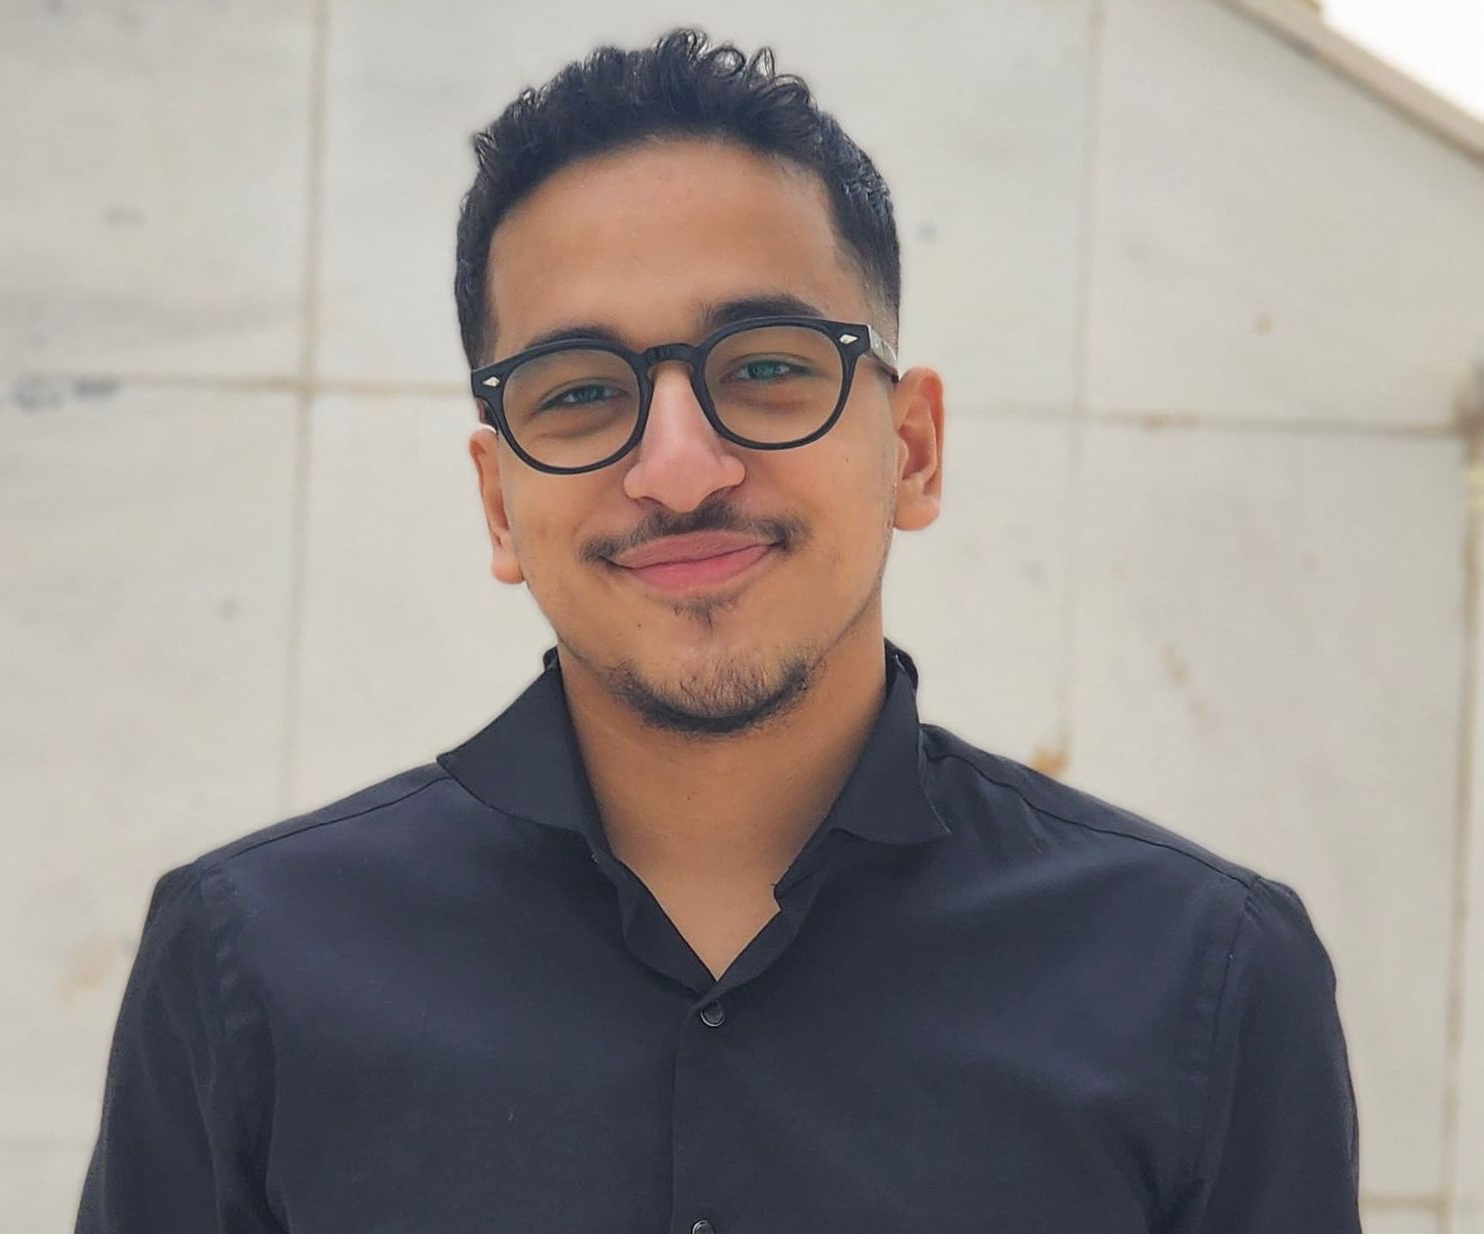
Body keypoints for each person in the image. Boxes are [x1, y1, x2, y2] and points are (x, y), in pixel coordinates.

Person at [75, 27, 1361, 1234]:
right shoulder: (248, 963)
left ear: (912, 449)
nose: (679, 469)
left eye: (765, 365)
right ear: (499, 502)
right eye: (580, 393)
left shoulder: (1204, 976)